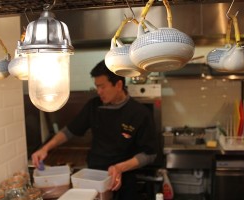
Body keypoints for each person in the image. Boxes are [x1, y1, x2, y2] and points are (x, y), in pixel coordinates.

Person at [32, 60, 158, 200]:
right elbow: (69, 131)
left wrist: (120, 168)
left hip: (124, 178)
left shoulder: (139, 113)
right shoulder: (93, 106)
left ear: (119, 85)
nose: (99, 92)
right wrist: (45, 148)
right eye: (97, 87)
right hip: (93, 176)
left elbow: (149, 154)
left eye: (102, 87)